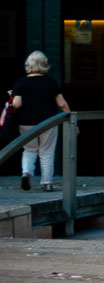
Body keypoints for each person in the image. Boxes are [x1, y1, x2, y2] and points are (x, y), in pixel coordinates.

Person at [11, 51, 70, 192]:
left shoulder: (20, 82)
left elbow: (16, 104)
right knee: (47, 152)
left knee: (29, 149)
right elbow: (62, 104)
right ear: (45, 64)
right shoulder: (51, 82)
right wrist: (71, 119)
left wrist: (11, 96)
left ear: (28, 65)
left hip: (25, 122)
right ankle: (47, 183)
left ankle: (26, 173)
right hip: (48, 122)